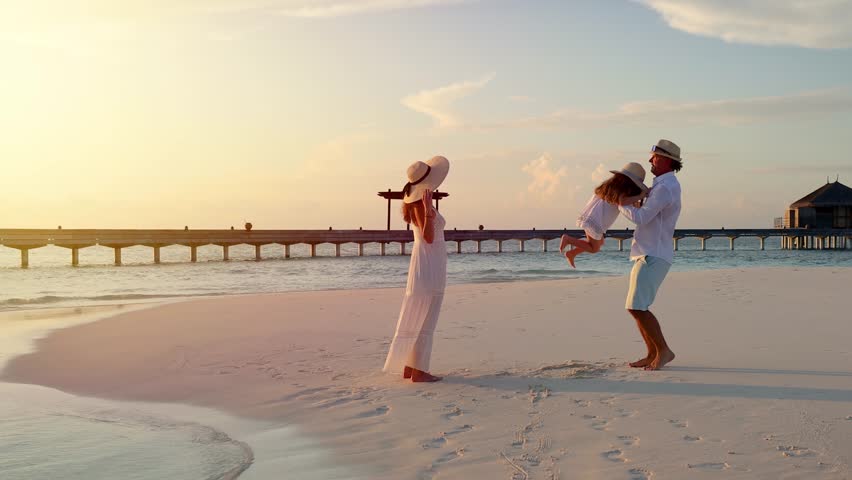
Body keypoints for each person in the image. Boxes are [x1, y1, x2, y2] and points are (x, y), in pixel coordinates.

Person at [383, 156, 450, 382]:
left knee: (419, 312)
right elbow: (429, 237)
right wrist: (430, 211)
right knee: (427, 315)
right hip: (430, 263)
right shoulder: (422, 207)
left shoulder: (414, 205)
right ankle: (419, 370)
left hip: (425, 262)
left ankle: (411, 366)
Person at [618, 140, 683, 371]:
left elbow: (641, 217)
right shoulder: (662, 186)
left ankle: (663, 351)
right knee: (636, 306)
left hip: (653, 254)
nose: (650, 161)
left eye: (654, 157)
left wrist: (619, 203)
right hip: (648, 252)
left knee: (637, 307)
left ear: (666, 160)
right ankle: (652, 352)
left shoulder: (665, 187)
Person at [559, 163, 649, 267]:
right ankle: (568, 240)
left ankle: (572, 253)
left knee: (599, 243)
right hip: (596, 220)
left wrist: (637, 200)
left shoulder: (611, 186)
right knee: (594, 248)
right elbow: (622, 202)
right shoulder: (621, 191)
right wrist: (641, 195)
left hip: (592, 216)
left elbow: (628, 202)